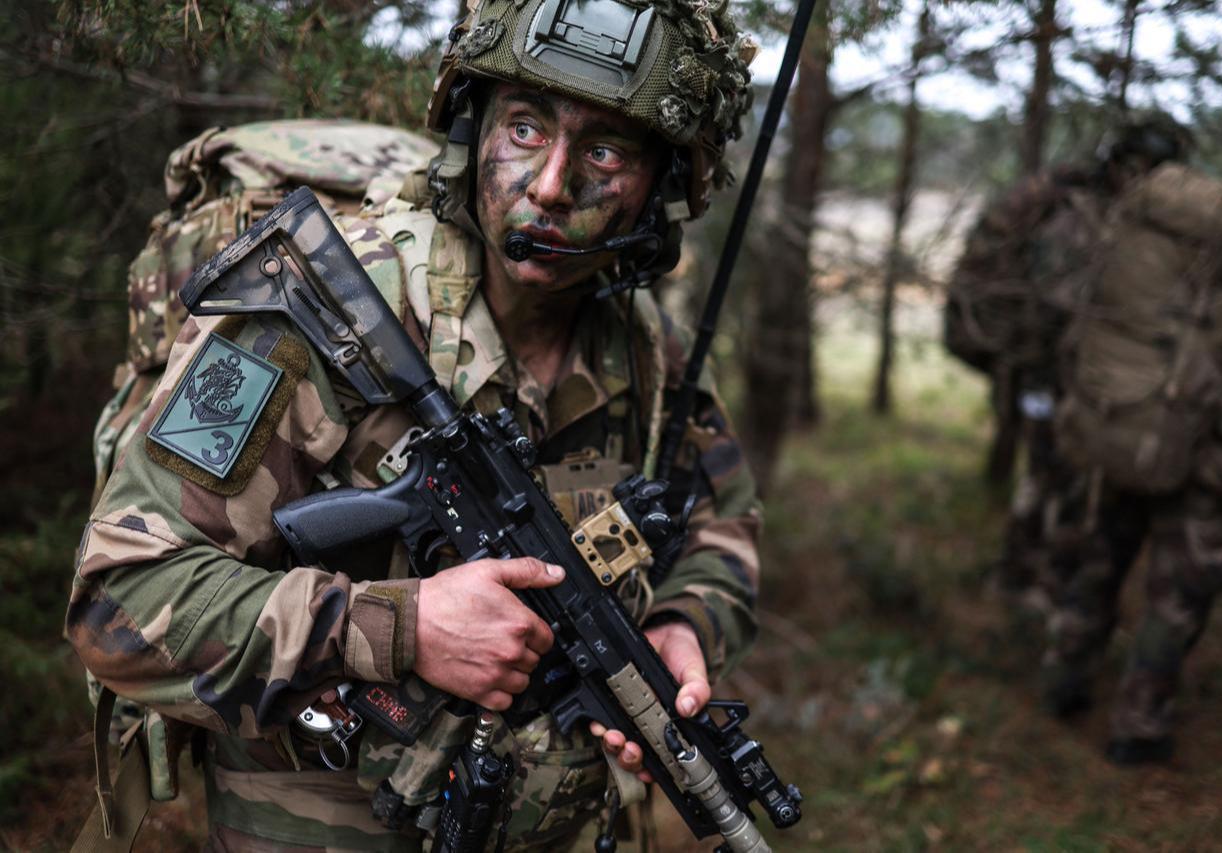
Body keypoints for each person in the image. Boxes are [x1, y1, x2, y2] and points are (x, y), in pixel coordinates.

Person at [66, 0, 762, 848]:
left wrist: (682, 622)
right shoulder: (325, 311)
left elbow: (723, 527)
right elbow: (121, 599)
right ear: (474, 130)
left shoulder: (652, 351)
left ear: (663, 190)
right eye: (525, 130)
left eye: (605, 151)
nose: (548, 184)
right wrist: (405, 625)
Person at [1044, 124, 1222, 765]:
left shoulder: (1147, 254)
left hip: (1125, 423)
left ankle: (1064, 679)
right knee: (1178, 595)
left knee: (1098, 560)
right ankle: (1138, 724)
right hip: (1203, 458)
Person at [944, 118, 1182, 619]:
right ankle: (1032, 587)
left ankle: (1026, 581)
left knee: (1053, 480)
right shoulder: (1079, 220)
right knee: (1057, 482)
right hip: (1047, 377)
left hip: (1053, 377)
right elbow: (1058, 307)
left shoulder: (1095, 214)